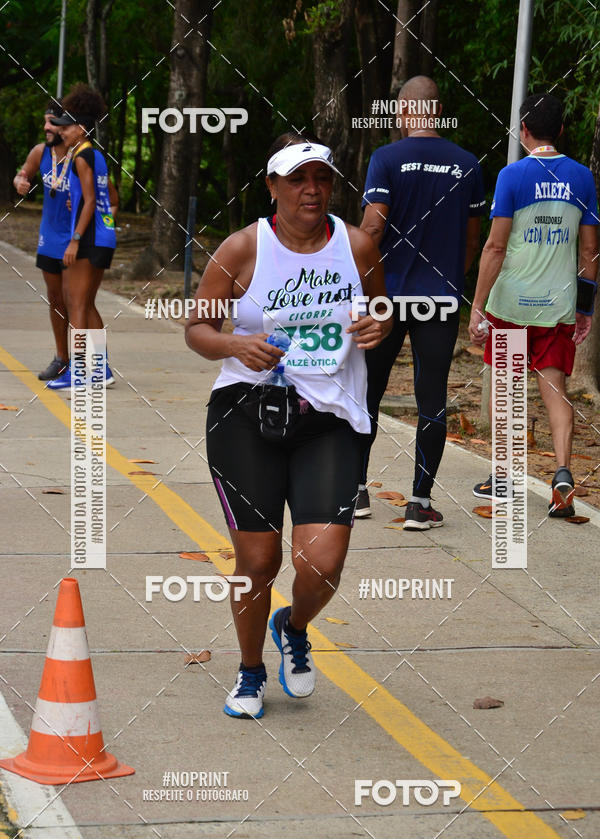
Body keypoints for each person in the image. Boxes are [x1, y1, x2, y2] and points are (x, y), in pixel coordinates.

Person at [185, 134, 390, 719]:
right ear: (273, 187)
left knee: (322, 561)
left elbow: (380, 305)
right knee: (258, 560)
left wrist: (379, 321)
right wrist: (234, 343)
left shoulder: (356, 245)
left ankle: (293, 627)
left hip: (328, 419)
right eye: (297, 179)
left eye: (321, 179)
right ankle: (249, 671)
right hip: (244, 416)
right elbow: (197, 326)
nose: (311, 189)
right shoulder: (244, 248)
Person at [359, 76, 485, 528]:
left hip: (386, 297)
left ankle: (356, 492)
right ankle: (419, 501)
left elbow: (372, 231)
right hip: (440, 297)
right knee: (431, 397)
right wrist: (452, 274)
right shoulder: (467, 163)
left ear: (407, 110)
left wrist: (362, 286)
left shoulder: (386, 159)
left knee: (367, 393)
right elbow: (473, 239)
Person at [469, 93, 598, 517]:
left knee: (506, 391)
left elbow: (494, 246)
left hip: (511, 307)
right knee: (554, 390)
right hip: (557, 306)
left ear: (522, 130)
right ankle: (562, 473)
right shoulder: (581, 178)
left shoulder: (512, 176)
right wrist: (585, 309)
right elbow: (590, 251)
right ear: (561, 130)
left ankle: (503, 478)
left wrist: (477, 306)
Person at [46, 83, 117, 390]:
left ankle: (77, 370)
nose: (61, 132)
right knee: (86, 302)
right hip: (103, 234)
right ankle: (100, 369)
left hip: (89, 237)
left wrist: (74, 239)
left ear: (82, 128)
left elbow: (89, 200)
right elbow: (105, 198)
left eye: (66, 127)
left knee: (75, 301)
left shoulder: (81, 156)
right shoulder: (95, 155)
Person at [14, 100, 72, 380]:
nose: (46, 127)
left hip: (77, 239)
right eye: (45, 121)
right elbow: (23, 173)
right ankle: (62, 358)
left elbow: (108, 196)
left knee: (81, 303)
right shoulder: (41, 152)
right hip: (49, 239)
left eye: (51, 122)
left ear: (65, 125)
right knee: (56, 300)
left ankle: (92, 364)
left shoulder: (82, 154)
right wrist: (20, 182)